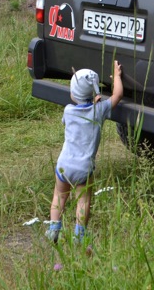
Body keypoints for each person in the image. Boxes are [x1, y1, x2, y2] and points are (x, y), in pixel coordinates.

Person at [46, 60, 123, 244]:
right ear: (95, 93)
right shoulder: (99, 111)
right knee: (83, 201)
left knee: (59, 195)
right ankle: (79, 234)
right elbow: (117, 95)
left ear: (73, 94)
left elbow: (76, 116)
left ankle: (54, 228)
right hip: (83, 169)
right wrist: (117, 76)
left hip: (64, 166)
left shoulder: (68, 111)